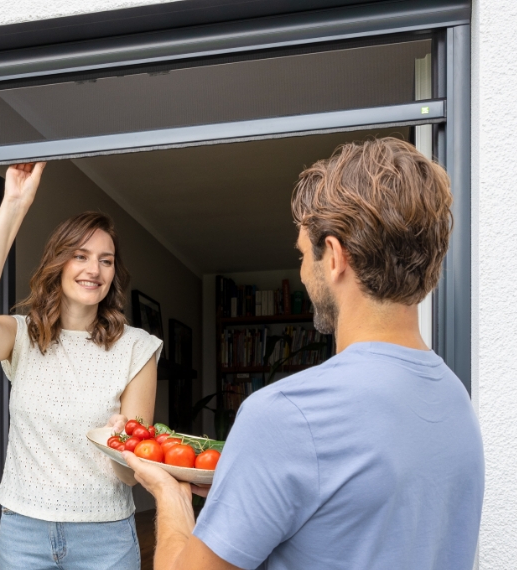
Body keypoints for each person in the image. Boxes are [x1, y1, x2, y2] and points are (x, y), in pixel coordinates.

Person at [123, 138, 485, 570]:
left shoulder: (288, 414)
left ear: (333, 257)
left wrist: (171, 495)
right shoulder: (454, 398)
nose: (300, 269)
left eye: (301, 254)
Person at [0, 162, 162, 570]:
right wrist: (13, 206)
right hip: (24, 531)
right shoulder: (23, 337)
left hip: (104, 537)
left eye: (106, 260)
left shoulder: (137, 348)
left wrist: (121, 447)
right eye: (80, 256)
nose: (94, 270)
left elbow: (130, 476)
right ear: (58, 263)